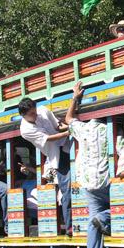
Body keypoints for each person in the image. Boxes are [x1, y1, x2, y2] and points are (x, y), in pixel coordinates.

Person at [63, 81, 111, 248]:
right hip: (106, 182)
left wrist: (76, 97)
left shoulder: (85, 129)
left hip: (87, 184)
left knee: (92, 224)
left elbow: (68, 118)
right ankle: (105, 218)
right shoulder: (110, 130)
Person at [19, 98, 72, 234]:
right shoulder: (25, 130)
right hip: (57, 153)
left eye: (35, 111)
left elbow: (57, 126)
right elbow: (48, 138)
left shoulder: (43, 110)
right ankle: (69, 225)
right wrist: (68, 132)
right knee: (66, 188)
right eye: (31, 114)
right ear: (23, 115)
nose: (35, 115)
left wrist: (74, 126)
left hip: (68, 143)